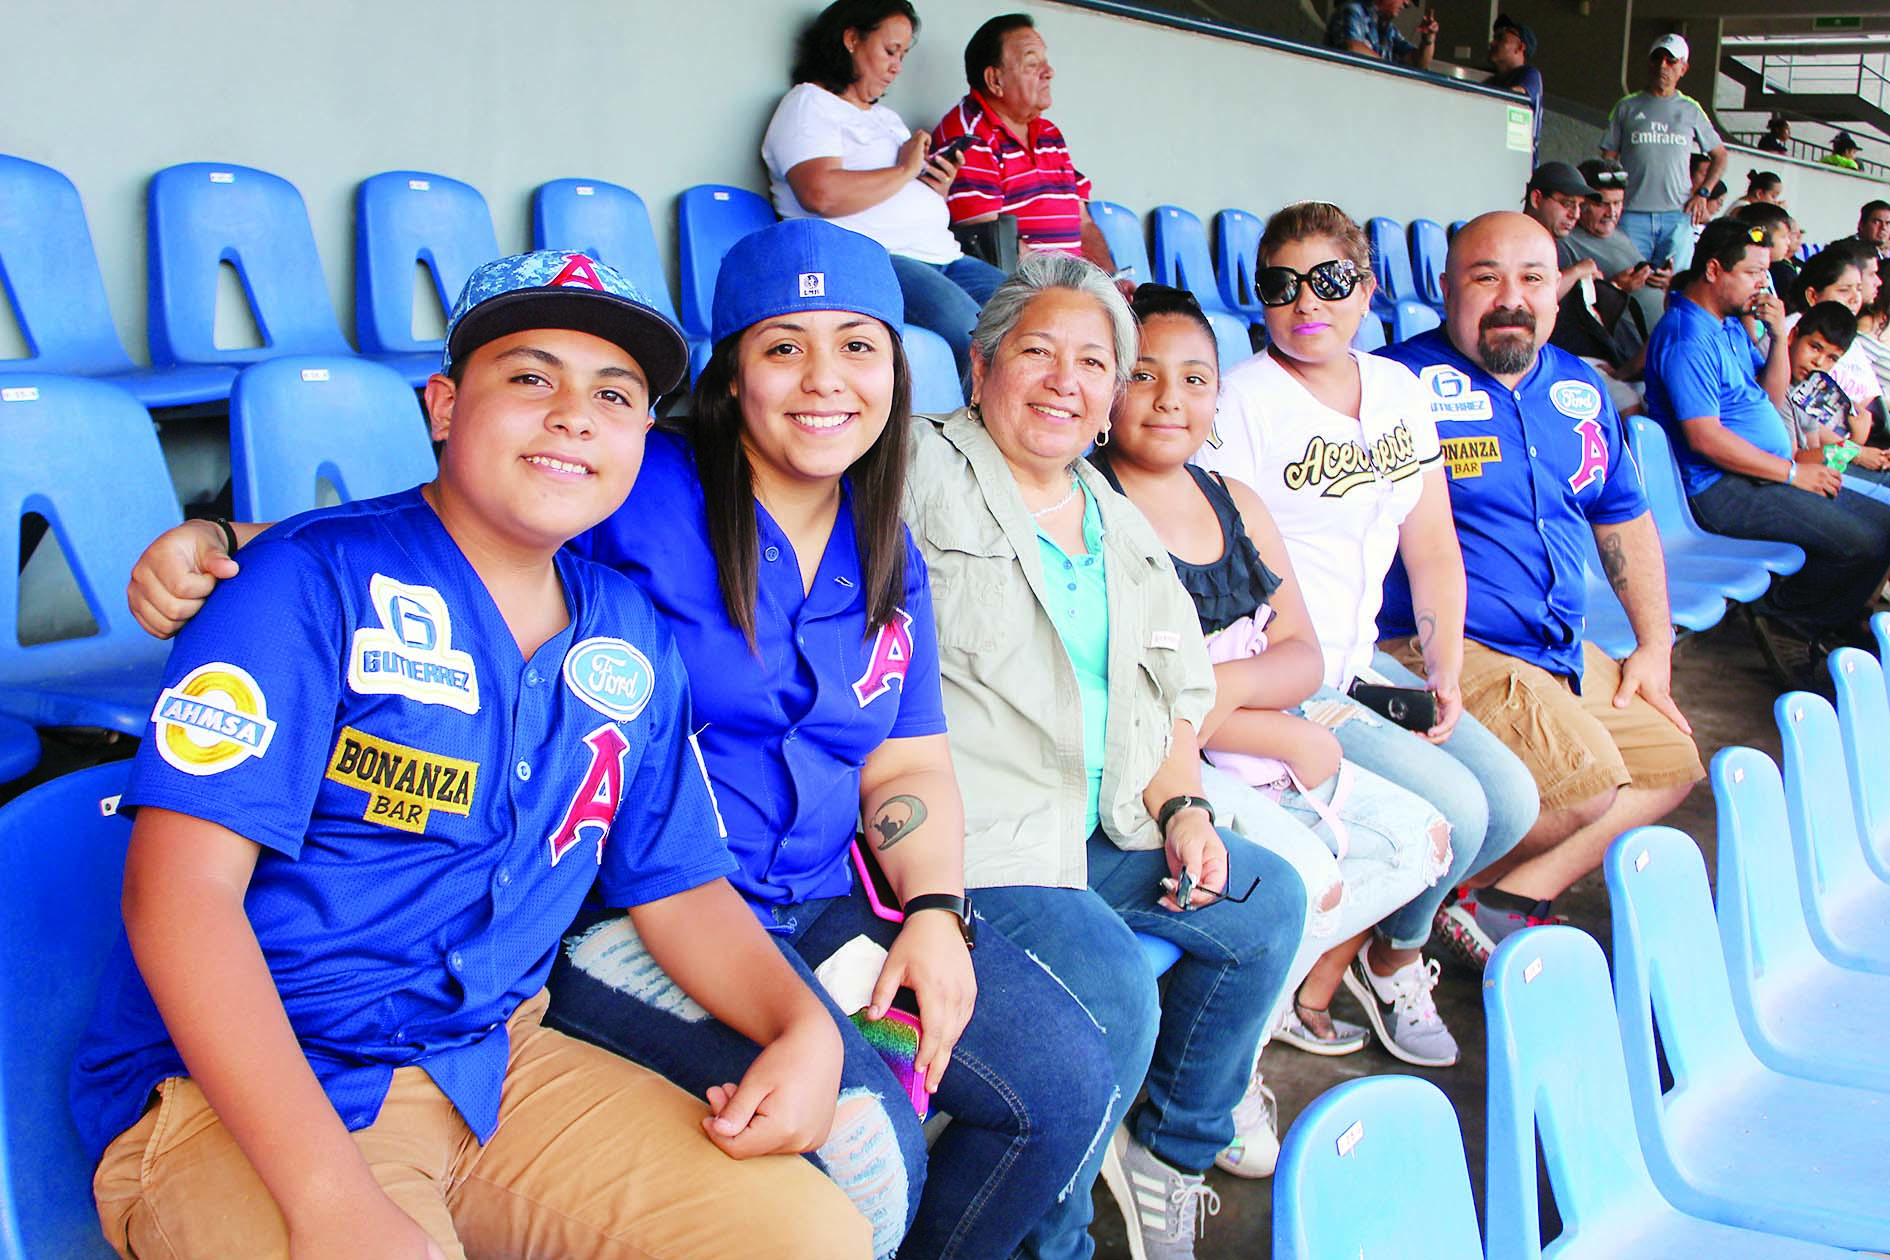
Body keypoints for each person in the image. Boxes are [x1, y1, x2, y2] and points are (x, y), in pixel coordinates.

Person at [121, 223, 1118, 1260]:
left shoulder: (629, 626)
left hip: (497, 1058)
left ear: (643, 426)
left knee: (858, 1202)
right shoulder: (337, 578)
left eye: (612, 394)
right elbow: (180, 892)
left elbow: (698, 866)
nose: (573, 417)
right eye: (530, 377)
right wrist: (234, 545)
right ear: (445, 404)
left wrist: (872, 969)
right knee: (868, 1149)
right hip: (261, 1085)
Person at [903, 253, 1311, 1260]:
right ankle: (1056, 1240)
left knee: (1266, 904)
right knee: (1113, 994)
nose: (1064, 381)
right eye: (1035, 352)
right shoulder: (913, 467)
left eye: (1093, 362)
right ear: (980, 363)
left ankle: (1170, 1151)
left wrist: (1184, 811)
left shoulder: (1110, 514)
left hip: (1108, 824)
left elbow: (1175, 692)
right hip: (985, 838)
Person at [1094, 284, 1450, 1116]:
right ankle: (1218, 1072)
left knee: (1421, 839)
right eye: (1142, 375)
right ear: (1106, 387)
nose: (1169, 398)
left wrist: (1235, 703)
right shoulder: (1095, 505)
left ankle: (1256, 1017)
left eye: (1194, 378)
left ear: (1218, 394)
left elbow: (1302, 653)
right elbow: (1140, 705)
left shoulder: (1233, 500)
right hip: (1164, 765)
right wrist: (1284, 738)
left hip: (1249, 733)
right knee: (1309, 884)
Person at [1195, 201, 1540, 987]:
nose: (1305, 302)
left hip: (1367, 667)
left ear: (1367, 288)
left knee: (1512, 802)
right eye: (1281, 285)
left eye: (1327, 280)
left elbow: (1432, 544)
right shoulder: (1242, 400)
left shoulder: (1397, 389)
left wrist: (1443, 670)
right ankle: (1384, 962)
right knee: (1465, 810)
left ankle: (1376, 948)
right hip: (1293, 680)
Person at [1378, 211, 1704, 946]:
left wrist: (1654, 646)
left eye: (1531, 278)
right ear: (1445, 288)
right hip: (1445, 646)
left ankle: (1488, 900)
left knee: (1670, 763)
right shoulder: (1394, 384)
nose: (1510, 298)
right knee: (1585, 787)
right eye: (1484, 277)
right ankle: (1389, 932)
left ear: (1559, 291)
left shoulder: (1579, 388)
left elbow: (1622, 517)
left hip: (1553, 644)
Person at [1644, 217, 1890, 665]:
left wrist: (1778, 336)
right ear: (1715, 270)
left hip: (1760, 473)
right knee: (1864, 543)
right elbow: (1704, 438)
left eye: (1767, 274)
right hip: (1719, 489)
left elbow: (1771, 398)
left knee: (1884, 525)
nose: (1765, 285)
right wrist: (1793, 473)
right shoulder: (1688, 337)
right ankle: (1786, 622)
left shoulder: (1732, 324)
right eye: (1755, 274)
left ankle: (1830, 617)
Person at [763, 0, 1006, 380]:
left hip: (942, 255)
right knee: (970, 331)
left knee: (1027, 316)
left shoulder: (886, 119)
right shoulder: (808, 104)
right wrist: (905, 168)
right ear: (851, 40)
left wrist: (933, 188)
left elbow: (901, 197)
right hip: (872, 258)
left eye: (903, 55)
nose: (897, 66)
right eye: (890, 50)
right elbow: (821, 193)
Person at [930, 14, 1118, 272]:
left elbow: (1083, 222)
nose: (1049, 72)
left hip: (1072, 286)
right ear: (995, 80)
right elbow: (991, 241)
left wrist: (1110, 280)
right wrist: (1068, 286)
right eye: (1032, 64)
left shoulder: (1050, 133)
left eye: (1045, 61)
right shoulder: (969, 134)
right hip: (1025, 290)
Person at [1600, 33, 1726, 273]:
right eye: (1657, 58)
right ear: (1649, 62)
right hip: (1631, 213)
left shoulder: (1691, 109)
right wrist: (1609, 202)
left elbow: (1720, 154)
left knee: (1673, 284)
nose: (1662, 66)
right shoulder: (1627, 106)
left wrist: (1703, 193)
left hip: (1678, 215)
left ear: (1683, 68)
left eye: (1671, 61)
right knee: (1628, 280)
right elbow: (1608, 159)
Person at [1522, 161, 1604, 300]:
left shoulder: (1558, 247)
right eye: (1567, 204)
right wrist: (1577, 272)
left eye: (1580, 206)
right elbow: (1534, 299)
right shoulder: (1515, 241)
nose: (1575, 215)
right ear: (1537, 199)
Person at [1487, 13, 1543, 161]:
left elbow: (1514, 96)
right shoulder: (1492, 81)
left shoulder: (1529, 74)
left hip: (1518, 165)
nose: (1492, 43)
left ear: (1520, 48)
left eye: (1501, 39)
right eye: (1494, 38)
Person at [1325, 0, 1439, 71]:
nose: (1406, 3)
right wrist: (1391, 71)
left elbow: (1417, 63)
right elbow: (1352, 47)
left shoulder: (1389, 30)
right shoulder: (1353, 10)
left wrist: (1428, 40)